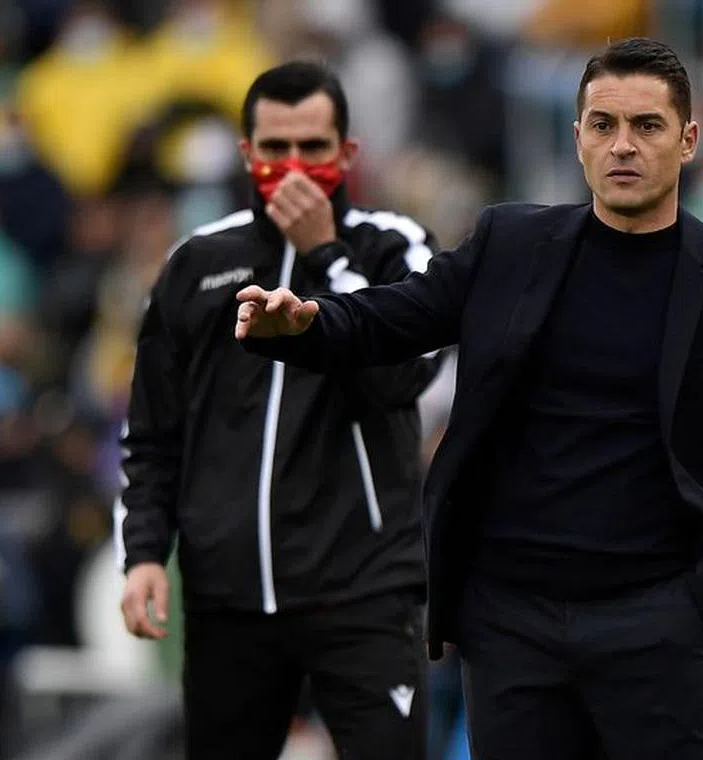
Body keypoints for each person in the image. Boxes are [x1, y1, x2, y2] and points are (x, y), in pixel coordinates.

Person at [235, 38, 703, 759]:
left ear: (689, 140)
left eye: (647, 126)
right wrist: (305, 322)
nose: (623, 146)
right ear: (577, 138)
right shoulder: (510, 244)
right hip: (512, 628)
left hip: (658, 625)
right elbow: (396, 317)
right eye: (604, 125)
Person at [115, 62, 440, 760]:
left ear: (348, 153)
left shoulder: (395, 247)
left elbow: (402, 379)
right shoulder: (196, 263)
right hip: (228, 601)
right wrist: (143, 551)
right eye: (275, 149)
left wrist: (325, 254)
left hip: (364, 595)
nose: (293, 167)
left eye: (314, 148)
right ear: (246, 153)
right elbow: (152, 428)